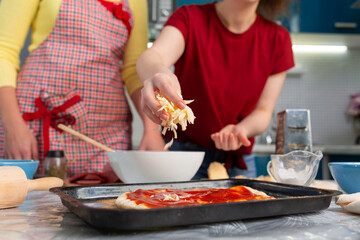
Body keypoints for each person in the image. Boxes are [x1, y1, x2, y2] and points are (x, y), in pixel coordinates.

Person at [0, 0, 164, 177]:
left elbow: (133, 69)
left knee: (108, 202)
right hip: (36, 126)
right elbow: (3, 52)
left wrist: (152, 129)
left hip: (106, 133)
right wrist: (13, 126)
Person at [136, 0, 295, 179]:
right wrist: (158, 74)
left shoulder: (278, 39)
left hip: (238, 163)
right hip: (183, 158)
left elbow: (263, 111)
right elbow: (152, 57)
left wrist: (241, 130)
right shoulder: (189, 17)